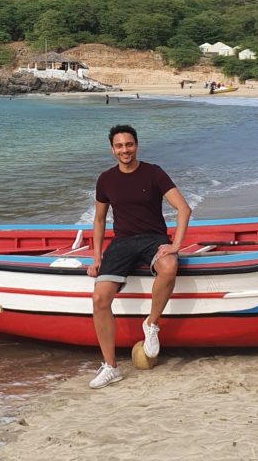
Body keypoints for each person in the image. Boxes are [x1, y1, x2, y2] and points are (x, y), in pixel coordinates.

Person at [86, 124, 192, 388]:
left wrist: (176, 245)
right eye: (119, 146)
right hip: (121, 243)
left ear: (136, 145)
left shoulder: (154, 173)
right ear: (112, 150)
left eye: (129, 144)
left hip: (152, 239)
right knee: (99, 298)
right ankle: (111, 367)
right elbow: (99, 220)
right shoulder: (106, 179)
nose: (125, 150)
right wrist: (97, 257)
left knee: (169, 265)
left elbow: (183, 209)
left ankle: (151, 324)